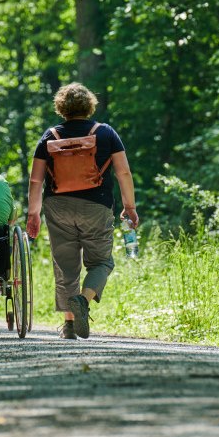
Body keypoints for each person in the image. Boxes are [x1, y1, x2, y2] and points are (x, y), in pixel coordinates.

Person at [26, 83, 138, 340]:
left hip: (58, 206)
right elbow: (123, 172)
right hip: (96, 205)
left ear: (61, 107)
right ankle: (84, 299)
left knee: (66, 266)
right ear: (90, 105)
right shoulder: (106, 133)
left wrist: (34, 214)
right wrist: (129, 206)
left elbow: (36, 180)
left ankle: (68, 326)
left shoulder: (49, 136)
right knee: (101, 262)